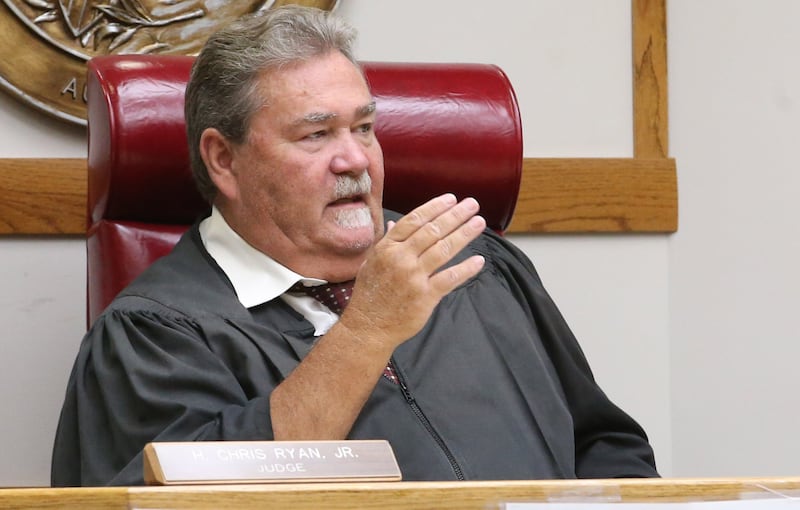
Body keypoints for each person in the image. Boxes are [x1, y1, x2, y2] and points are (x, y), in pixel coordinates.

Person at [51, 5, 658, 486]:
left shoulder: (474, 264)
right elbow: (203, 499)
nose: (356, 160)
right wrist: (368, 328)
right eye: (316, 134)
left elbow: (605, 446)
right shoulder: (154, 335)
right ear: (223, 158)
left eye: (364, 128)